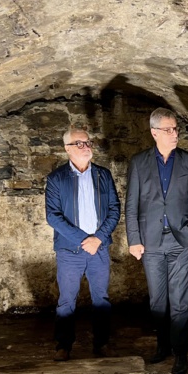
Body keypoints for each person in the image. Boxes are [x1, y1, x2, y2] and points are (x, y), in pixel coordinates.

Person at [125, 108, 188, 374]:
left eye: (176, 129)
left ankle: (181, 353)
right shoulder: (138, 163)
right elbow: (132, 204)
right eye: (169, 129)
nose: (175, 134)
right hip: (150, 243)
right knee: (158, 301)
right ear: (154, 132)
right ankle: (162, 346)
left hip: (181, 240)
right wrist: (134, 240)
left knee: (181, 301)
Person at [45, 128, 120, 361]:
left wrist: (97, 238)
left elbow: (114, 210)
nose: (86, 146)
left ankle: (101, 344)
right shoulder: (57, 178)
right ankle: (63, 345)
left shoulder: (103, 175)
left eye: (88, 142)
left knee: (101, 298)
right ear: (67, 149)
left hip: (98, 248)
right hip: (70, 250)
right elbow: (53, 216)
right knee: (66, 300)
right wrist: (83, 239)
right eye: (79, 143)